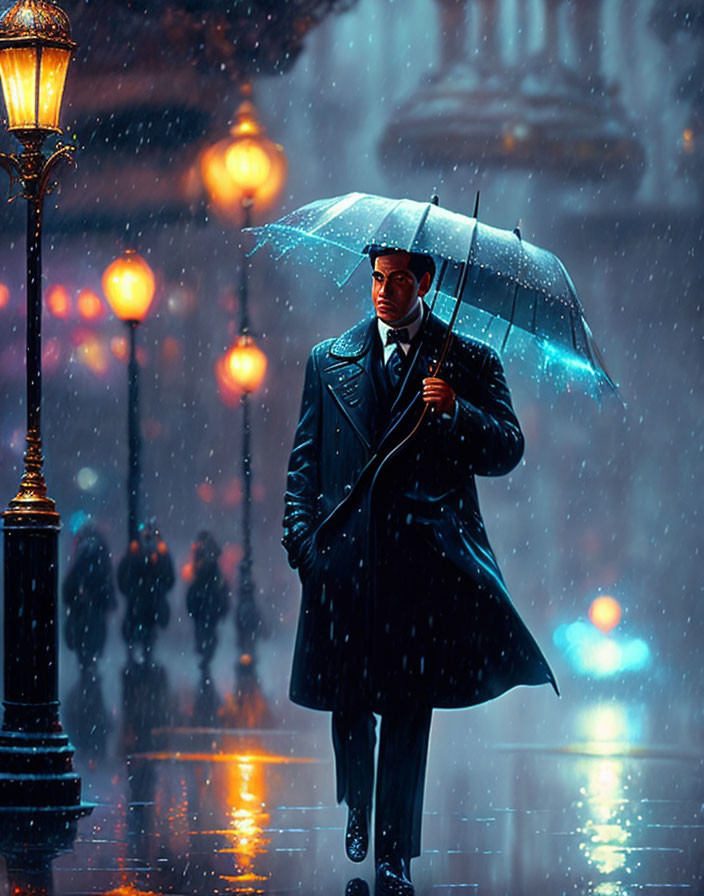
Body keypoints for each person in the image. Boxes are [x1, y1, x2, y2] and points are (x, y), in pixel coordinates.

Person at [283, 247, 558, 896]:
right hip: (344, 570)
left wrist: (455, 412)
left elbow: (507, 447)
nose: (383, 292)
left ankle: (394, 854)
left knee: (407, 713)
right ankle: (357, 802)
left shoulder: (468, 359)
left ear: (425, 281)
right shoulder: (329, 360)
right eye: (376, 279)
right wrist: (305, 549)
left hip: (419, 571)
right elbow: (304, 465)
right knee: (350, 706)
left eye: (398, 280)